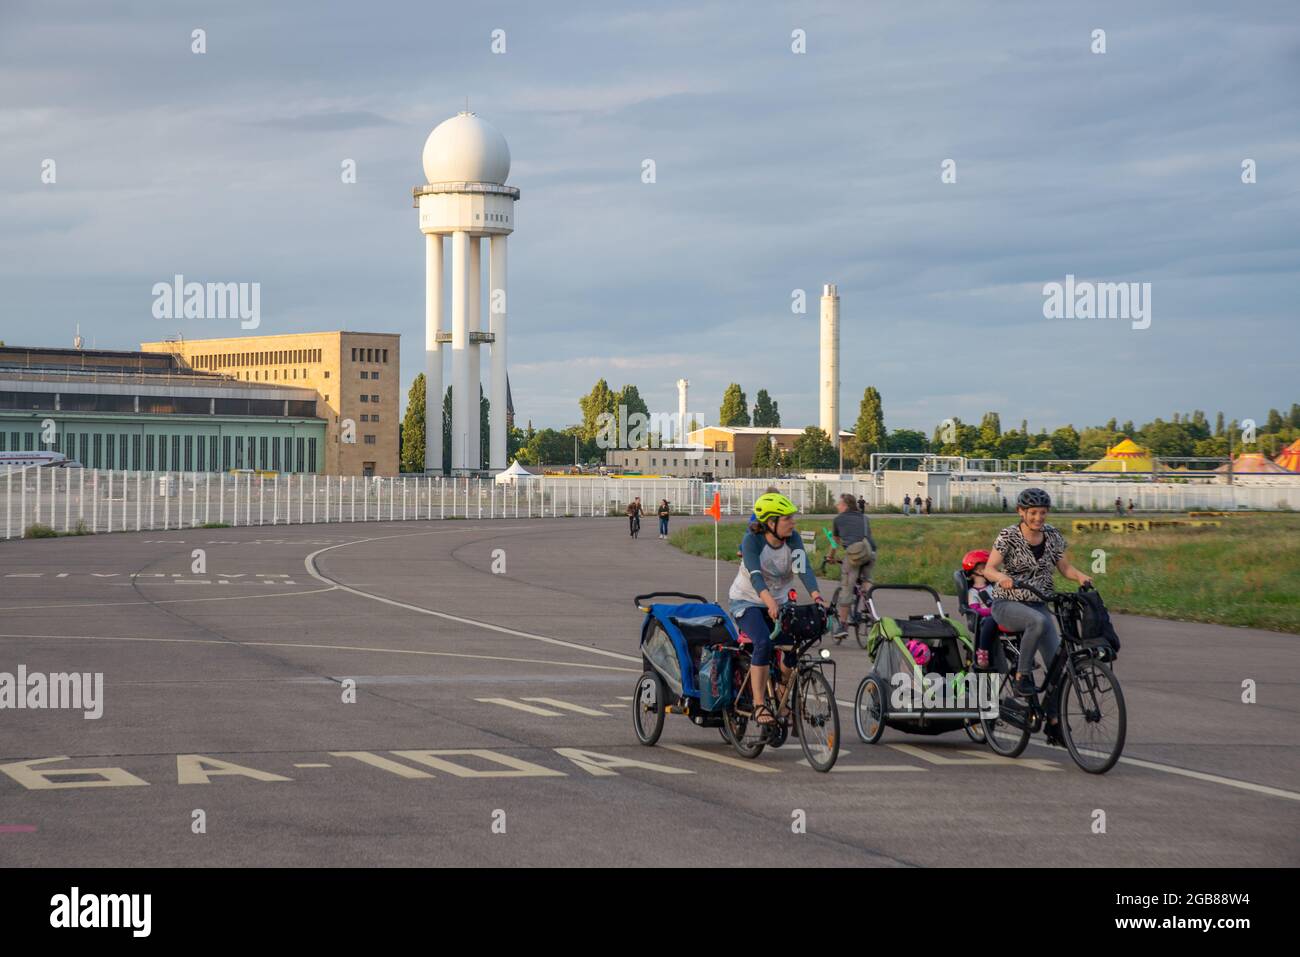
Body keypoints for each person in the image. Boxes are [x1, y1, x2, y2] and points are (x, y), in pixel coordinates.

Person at [984, 488, 1092, 743]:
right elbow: (989, 568)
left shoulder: (1052, 535)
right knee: (1038, 621)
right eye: (1032, 513)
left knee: (1058, 664)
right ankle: (1022, 676)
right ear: (1021, 512)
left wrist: (1081, 576)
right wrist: (1003, 578)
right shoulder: (1008, 536)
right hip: (1007, 604)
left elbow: (1064, 567)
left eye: (1042, 513)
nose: (1038, 518)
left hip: (1039, 604)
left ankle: (1053, 721)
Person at [729, 492, 824, 726]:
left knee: (793, 643)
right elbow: (755, 576)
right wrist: (769, 601)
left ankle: (782, 694)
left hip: (779, 603)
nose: (793, 522)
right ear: (770, 523)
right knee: (763, 642)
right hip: (748, 601)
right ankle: (760, 704)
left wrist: (817, 596)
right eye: (787, 518)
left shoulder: (793, 540)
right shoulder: (753, 540)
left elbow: (804, 569)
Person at [831, 493, 876, 637]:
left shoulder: (838, 520)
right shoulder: (864, 518)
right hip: (870, 552)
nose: (837, 506)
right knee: (866, 581)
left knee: (846, 587)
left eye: (839, 503)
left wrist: (830, 556)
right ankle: (870, 609)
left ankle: (843, 625)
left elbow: (835, 542)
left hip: (854, 555)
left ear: (845, 505)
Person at [961, 549, 996, 669]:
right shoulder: (973, 592)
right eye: (988, 567)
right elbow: (975, 610)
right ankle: (982, 651)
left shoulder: (992, 587)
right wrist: (993, 611)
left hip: (999, 615)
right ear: (978, 571)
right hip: (984, 619)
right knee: (990, 620)